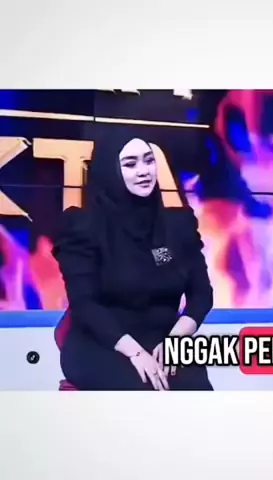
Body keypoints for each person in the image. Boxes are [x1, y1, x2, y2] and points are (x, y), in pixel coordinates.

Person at [52, 128, 214, 391]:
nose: (143, 171)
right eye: (130, 164)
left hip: (166, 340)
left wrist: (175, 340)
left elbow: (202, 295)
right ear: (110, 170)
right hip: (105, 343)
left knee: (196, 392)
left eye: (149, 161)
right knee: (146, 389)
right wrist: (135, 352)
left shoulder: (178, 224)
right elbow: (84, 304)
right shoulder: (84, 226)